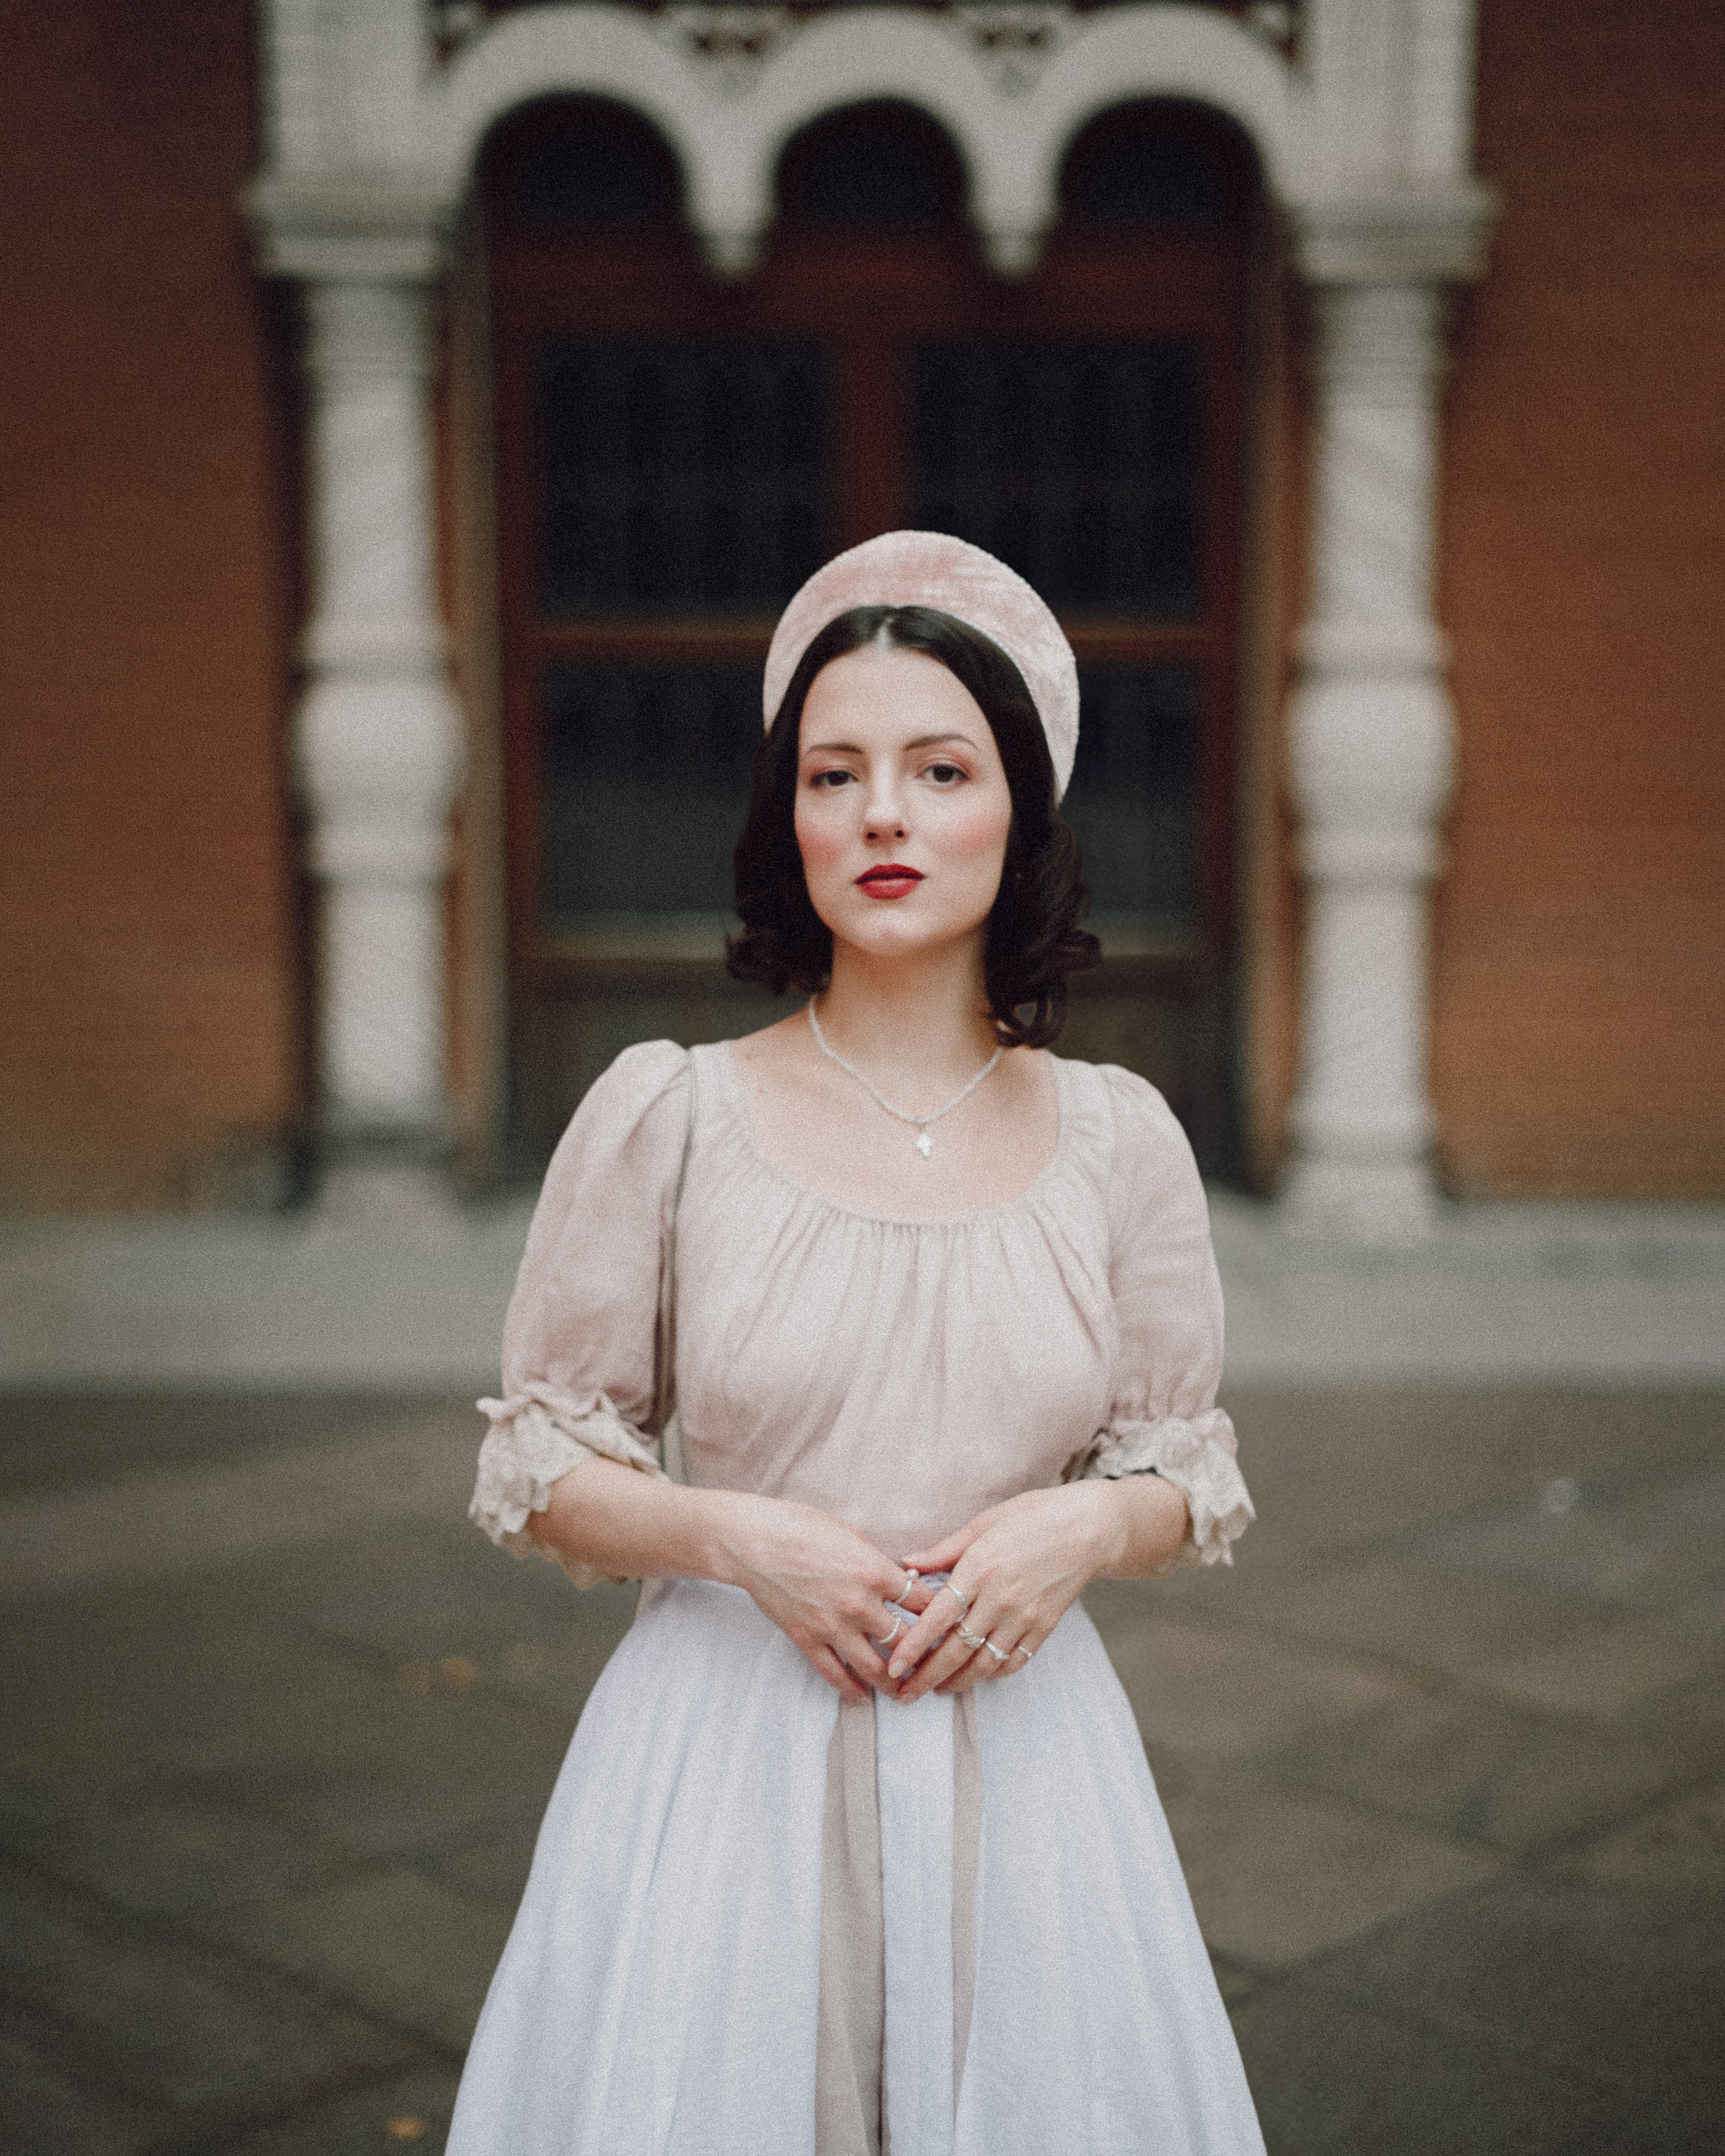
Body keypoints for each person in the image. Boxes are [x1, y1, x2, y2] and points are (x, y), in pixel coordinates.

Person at [448, 531, 1263, 2155]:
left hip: (1027, 1773)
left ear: (1016, 811)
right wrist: (737, 1539)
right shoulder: (672, 1113)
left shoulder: (1117, 1137)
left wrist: (1079, 1529)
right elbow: (540, 1464)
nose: (882, 814)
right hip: (720, 1764)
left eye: (937, 770)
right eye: (835, 775)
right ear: (791, 821)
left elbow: (1183, 1471)